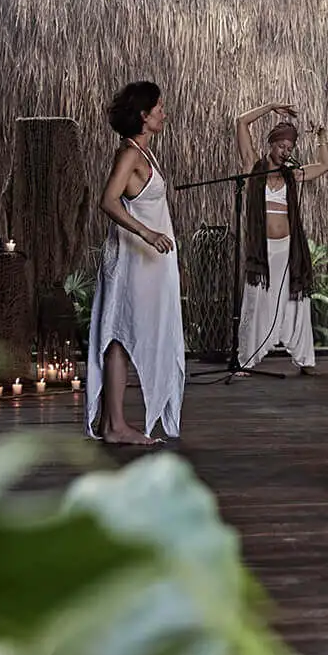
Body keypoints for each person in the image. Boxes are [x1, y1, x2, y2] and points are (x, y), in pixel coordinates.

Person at [85, 81, 185, 445]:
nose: (164, 114)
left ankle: (113, 424)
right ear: (144, 116)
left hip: (149, 263)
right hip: (132, 260)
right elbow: (108, 201)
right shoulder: (128, 154)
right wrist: (146, 233)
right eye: (159, 109)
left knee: (126, 333)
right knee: (120, 334)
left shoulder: (145, 152)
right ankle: (114, 426)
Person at [234, 102, 328, 375]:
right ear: (271, 144)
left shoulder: (292, 175)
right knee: (256, 301)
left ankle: (303, 359)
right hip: (261, 251)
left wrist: (321, 137)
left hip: (287, 249)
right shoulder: (254, 168)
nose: (285, 152)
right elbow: (241, 122)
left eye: (289, 149)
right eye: (281, 146)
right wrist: (271, 107)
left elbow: (324, 165)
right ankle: (247, 358)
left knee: (294, 301)